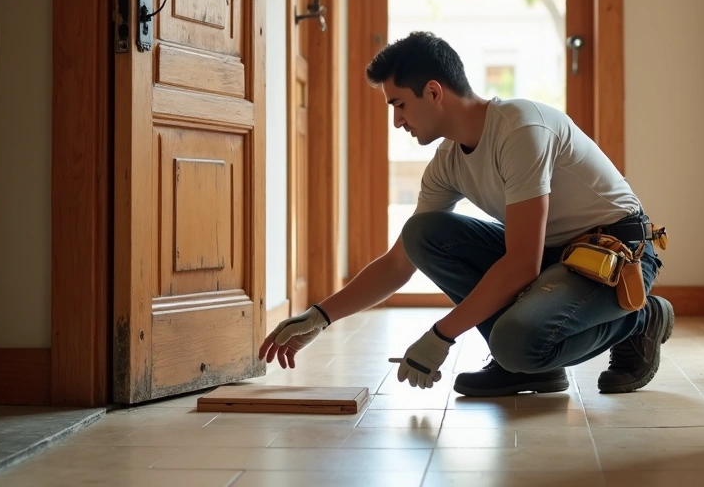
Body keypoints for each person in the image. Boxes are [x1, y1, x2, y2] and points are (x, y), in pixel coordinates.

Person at [257, 31, 673, 397]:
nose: (397, 121)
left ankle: (641, 319)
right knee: (423, 232)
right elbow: (399, 262)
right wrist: (320, 316)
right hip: (554, 254)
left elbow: (522, 264)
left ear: (434, 92)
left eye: (399, 104)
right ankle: (528, 369)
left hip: (616, 251)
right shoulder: (448, 162)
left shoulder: (520, 130)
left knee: (515, 341)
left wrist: (441, 335)